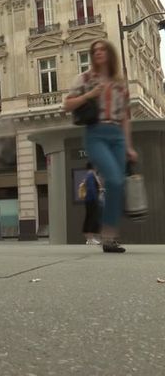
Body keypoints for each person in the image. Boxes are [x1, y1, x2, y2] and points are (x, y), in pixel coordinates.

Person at [64, 39, 138, 253]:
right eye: (94, 50)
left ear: (110, 53)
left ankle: (110, 236)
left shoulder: (120, 84)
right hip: (95, 133)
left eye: (102, 49)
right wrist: (88, 95)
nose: (98, 52)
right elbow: (67, 104)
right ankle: (107, 235)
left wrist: (129, 146)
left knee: (117, 183)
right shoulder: (85, 78)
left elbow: (125, 117)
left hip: (117, 135)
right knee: (114, 178)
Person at [82, 163, 102, 245]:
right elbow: (91, 188)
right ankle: (90, 238)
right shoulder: (91, 175)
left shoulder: (89, 175)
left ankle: (89, 238)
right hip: (92, 200)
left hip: (89, 200)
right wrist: (96, 198)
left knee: (90, 218)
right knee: (92, 218)